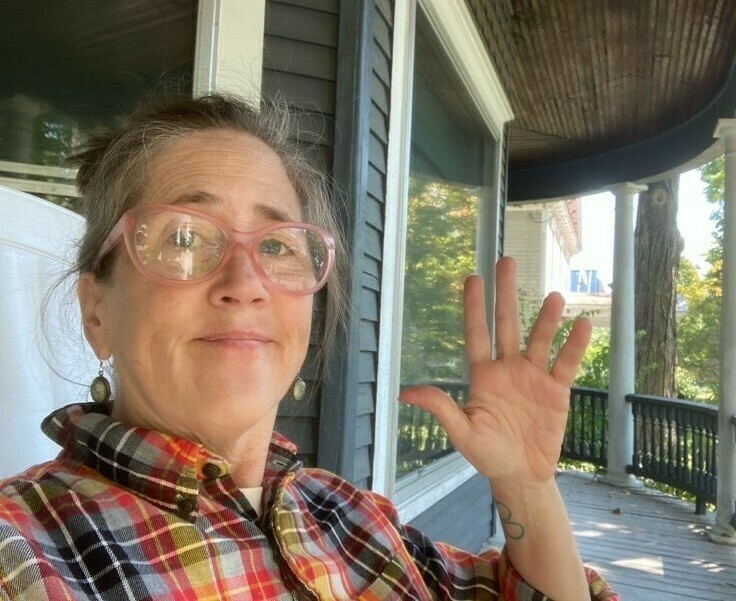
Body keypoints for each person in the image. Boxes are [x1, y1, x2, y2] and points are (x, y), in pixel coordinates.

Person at [0, 94, 618, 601]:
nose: (245, 285)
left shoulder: (350, 517)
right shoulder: (26, 554)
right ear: (96, 310)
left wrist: (524, 486)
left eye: (277, 247)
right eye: (184, 238)